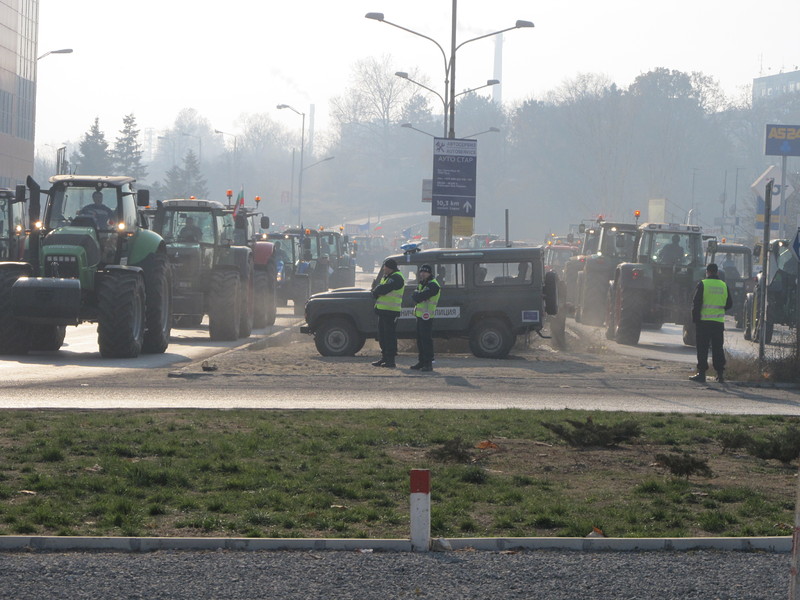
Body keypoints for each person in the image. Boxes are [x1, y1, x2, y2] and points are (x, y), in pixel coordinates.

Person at [689, 263, 732, 383]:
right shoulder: (724, 285)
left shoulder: (703, 284)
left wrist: (695, 320)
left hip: (703, 323)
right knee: (717, 348)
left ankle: (702, 374)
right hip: (718, 323)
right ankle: (720, 375)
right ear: (717, 272)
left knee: (702, 348)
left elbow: (696, 303)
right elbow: (729, 304)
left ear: (707, 272)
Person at [370, 257, 405, 368]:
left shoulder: (397, 277)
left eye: (385, 267)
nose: (384, 269)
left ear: (390, 268)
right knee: (383, 336)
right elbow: (380, 288)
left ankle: (390, 360)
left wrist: (376, 291)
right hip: (383, 311)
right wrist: (377, 290)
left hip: (391, 312)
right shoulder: (388, 277)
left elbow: (383, 289)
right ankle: (384, 358)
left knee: (389, 336)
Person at [410, 264, 441, 372]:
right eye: (421, 272)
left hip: (427, 316)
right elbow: (415, 296)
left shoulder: (433, 285)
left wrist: (417, 295)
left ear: (430, 273)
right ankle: (421, 361)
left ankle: (428, 363)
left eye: (425, 272)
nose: (422, 274)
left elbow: (419, 297)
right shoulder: (423, 283)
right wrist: (417, 295)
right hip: (420, 316)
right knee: (420, 340)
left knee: (426, 340)